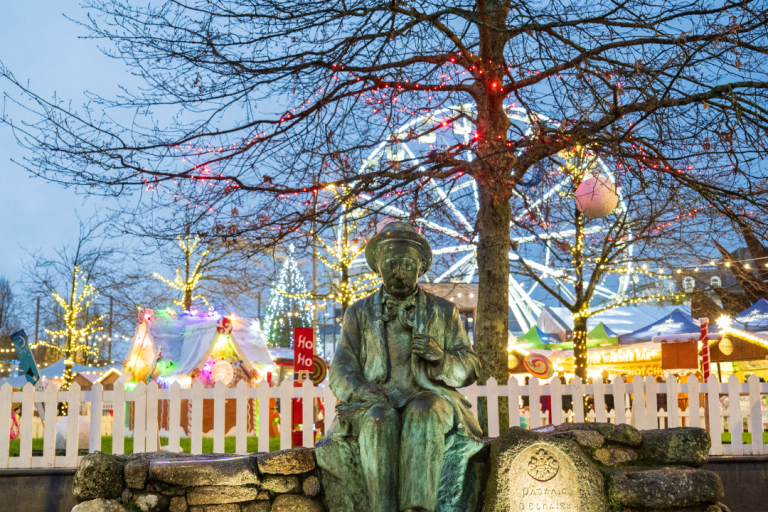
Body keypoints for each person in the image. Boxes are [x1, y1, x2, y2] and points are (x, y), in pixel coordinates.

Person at [328, 222, 482, 512]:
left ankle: (417, 508)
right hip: (377, 398)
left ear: (421, 267)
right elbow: (341, 368)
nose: (399, 273)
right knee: (378, 419)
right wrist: (361, 390)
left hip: (430, 395)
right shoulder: (358, 313)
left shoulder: (444, 311)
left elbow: (471, 366)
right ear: (378, 267)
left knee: (424, 412)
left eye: (408, 265)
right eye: (391, 264)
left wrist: (440, 358)